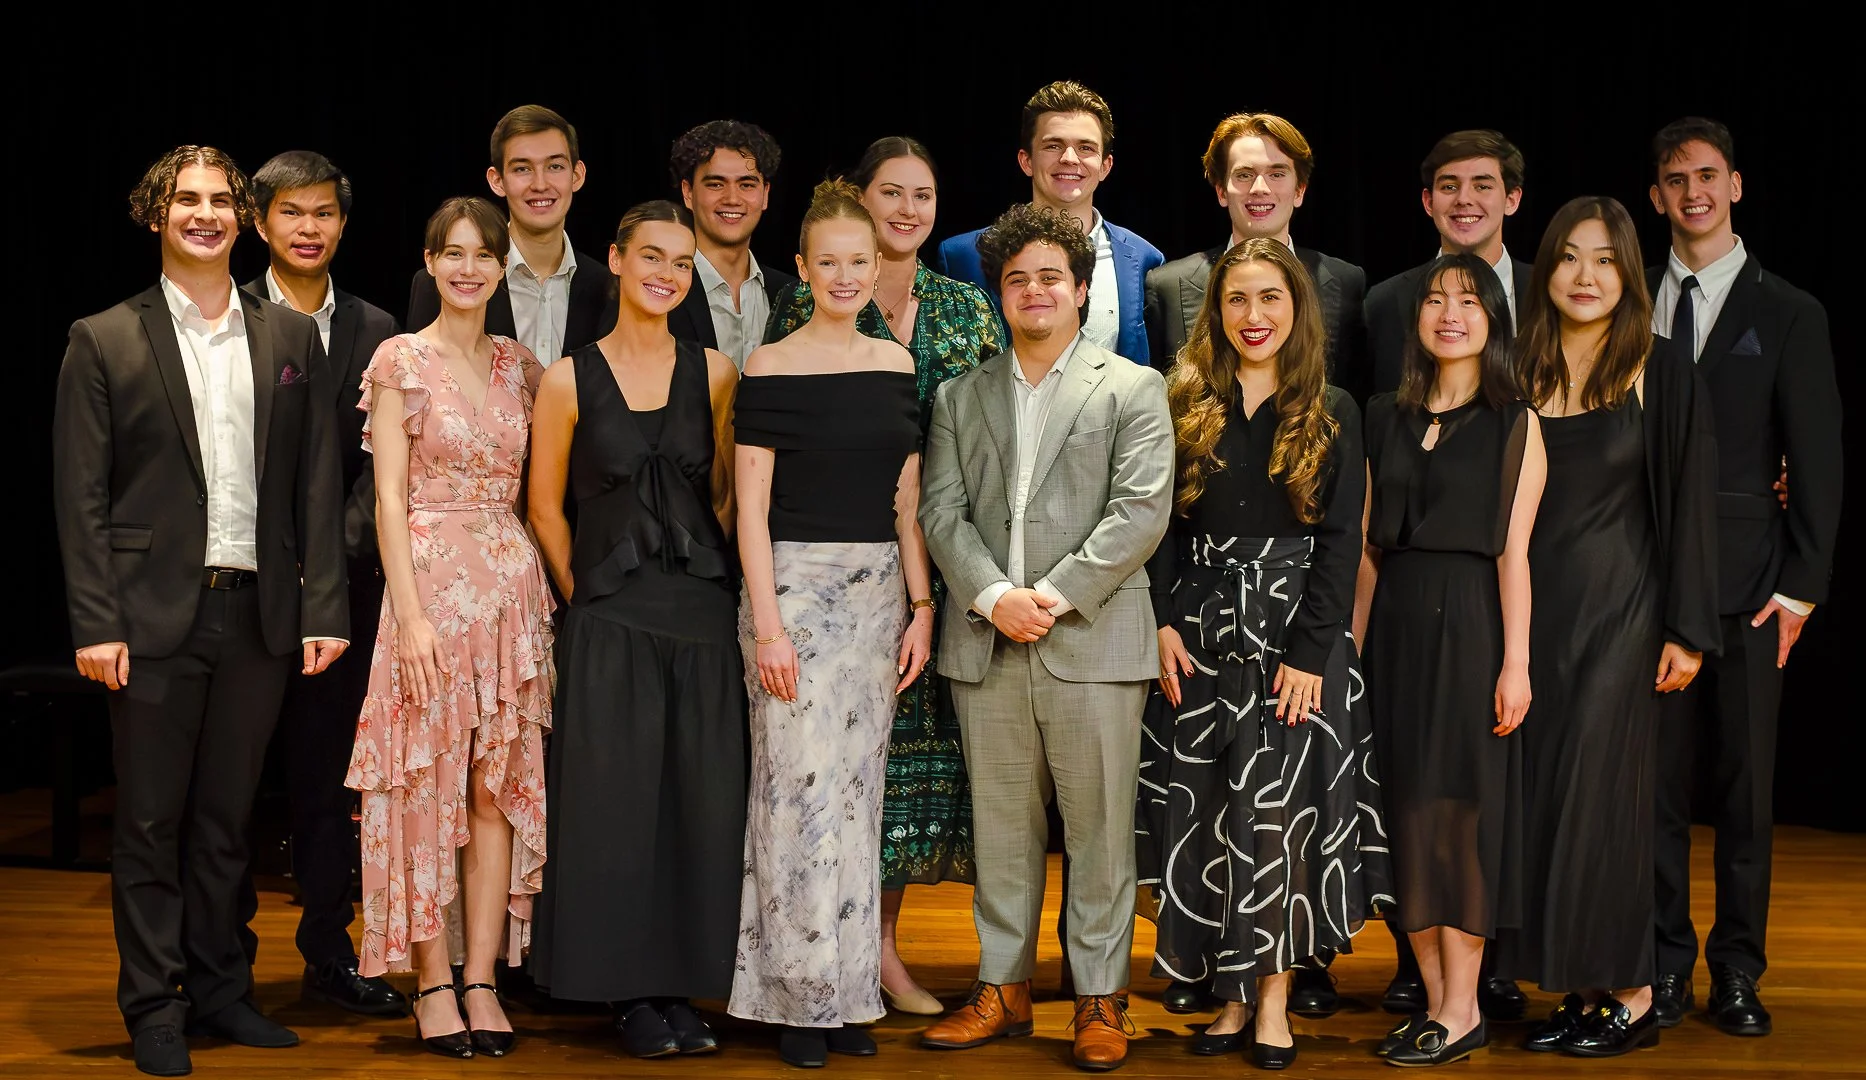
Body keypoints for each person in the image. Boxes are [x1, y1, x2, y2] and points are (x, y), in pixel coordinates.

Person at [52, 145, 348, 1077]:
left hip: (259, 615)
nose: (206, 214)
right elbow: (81, 496)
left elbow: (315, 484)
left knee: (227, 823)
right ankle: (153, 1005)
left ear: (245, 218)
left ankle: (223, 991)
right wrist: (95, 620)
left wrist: (323, 607)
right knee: (148, 823)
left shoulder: (290, 338)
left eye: (223, 200)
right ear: (157, 215)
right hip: (145, 621)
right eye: (188, 199)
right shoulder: (102, 338)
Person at [918, 203, 1173, 1073]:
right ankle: (1004, 988)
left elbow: (1140, 514)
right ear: (998, 293)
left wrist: (1051, 599)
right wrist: (994, 597)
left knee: (1101, 832)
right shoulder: (960, 394)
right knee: (1002, 828)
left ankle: (1101, 999)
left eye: (1049, 278)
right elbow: (940, 514)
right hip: (987, 640)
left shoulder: (1134, 387)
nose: (1033, 291)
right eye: (1016, 278)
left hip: (1092, 640)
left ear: (1080, 288)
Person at [764, 136, 1005, 1016]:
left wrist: (949, 581)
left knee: (907, 775)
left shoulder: (965, 306)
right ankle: (823, 957)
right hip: (828, 563)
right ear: (857, 204)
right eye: (890, 194)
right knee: (821, 771)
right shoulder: (808, 299)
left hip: (944, 566)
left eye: (923, 196)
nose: (907, 210)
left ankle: (880, 946)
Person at [1136, 239, 1390, 1071]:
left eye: (1270, 300)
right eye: (1237, 300)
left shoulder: (1334, 408)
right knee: (1213, 818)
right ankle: (1232, 997)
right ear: (1215, 311)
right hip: (1202, 635)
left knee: (1277, 824)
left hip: (1294, 639)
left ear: (1297, 310)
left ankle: (1275, 998)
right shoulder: (1185, 400)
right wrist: (1166, 621)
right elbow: (1164, 526)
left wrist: (1313, 653)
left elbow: (1340, 541)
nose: (1254, 316)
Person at [1497, 196, 1720, 1058]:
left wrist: (1688, 629)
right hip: (1528, 613)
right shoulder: (1516, 365)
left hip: (1623, 614)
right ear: (1545, 269)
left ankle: (1633, 993)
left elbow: (1694, 506)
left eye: (1604, 259)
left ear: (1629, 272)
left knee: (1606, 804)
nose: (1585, 277)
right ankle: (1584, 988)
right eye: (1568, 258)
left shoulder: (1662, 369)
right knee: (1547, 800)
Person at [525, 201, 745, 1058]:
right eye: (651, 256)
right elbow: (545, 507)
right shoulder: (567, 379)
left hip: (699, 614)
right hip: (609, 620)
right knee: (613, 809)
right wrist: (590, 598)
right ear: (614, 261)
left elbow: (725, 499)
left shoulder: (718, 373)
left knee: (699, 803)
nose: (666, 273)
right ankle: (624, 993)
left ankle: (677, 988)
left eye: (682, 263)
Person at [345, 196, 557, 1060]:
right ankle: (431, 983)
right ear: (430, 263)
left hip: (510, 592)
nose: (468, 268)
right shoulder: (400, 358)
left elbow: (544, 488)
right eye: (452, 254)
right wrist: (412, 613)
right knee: (424, 789)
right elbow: (389, 498)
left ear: (502, 265)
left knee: (492, 791)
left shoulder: (522, 366)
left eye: (483, 254)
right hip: (427, 589)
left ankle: (481, 978)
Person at [1645, 118, 1843, 1037]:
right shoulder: (1627, 298)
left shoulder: (1789, 310)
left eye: (1708, 175)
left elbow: (1819, 457)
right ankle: (1661, 964)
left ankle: (1737, 972)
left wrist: (1800, 587)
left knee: (1746, 796)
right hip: (1643, 588)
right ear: (1655, 196)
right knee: (1652, 791)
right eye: (1675, 178)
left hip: (1750, 588)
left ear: (1735, 185)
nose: (1693, 191)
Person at [727, 180, 929, 1069]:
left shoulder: (895, 369)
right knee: (792, 799)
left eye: (861, 261)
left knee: (855, 801)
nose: (846, 275)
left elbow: (907, 500)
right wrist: (768, 625)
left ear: (874, 265)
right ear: (802, 268)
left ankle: (846, 996)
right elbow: (749, 507)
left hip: (878, 597)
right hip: (793, 597)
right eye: (829, 262)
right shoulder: (767, 367)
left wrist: (921, 608)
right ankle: (792, 1001)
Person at [1358, 129, 1533, 1018]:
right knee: (1404, 810)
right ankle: (1434, 998)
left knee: (1460, 810)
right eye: (1437, 299)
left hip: (1471, 625)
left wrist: (1516, 663)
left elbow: (1516, 552)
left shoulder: (1515, 420)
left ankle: (1461, 1007)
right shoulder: (1382, 416)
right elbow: (1365, 551)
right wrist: (1347, 652)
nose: (1451, 312)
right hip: (1393, 628)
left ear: (1494, 319)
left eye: (1469, 301)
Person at [231, 149, 405, 1018]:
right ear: (259, 222)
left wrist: (323, 569)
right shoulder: (225, 318)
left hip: (345, 595)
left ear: (343, 223)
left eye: (324, 213)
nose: (309, 229)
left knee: (330, 783)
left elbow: (381, 467)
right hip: (236, 588)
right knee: (227, 787)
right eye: (292, 214)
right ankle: (222, 965)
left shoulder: (377, 327)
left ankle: (330, 955)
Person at [937, 80, 1164, 365]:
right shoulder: (964, 256)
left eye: (1085, 148)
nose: (1069, 159)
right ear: (1026, 161)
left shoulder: (1145, 259)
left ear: (1105, 166)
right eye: (1053, 146)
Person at [1145, 112, 1368, 398]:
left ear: (1299, 190)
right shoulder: (1167, 286)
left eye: (1276, 174)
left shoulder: (1345, 281)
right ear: (1221, 192)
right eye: (1244, 175)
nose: (1260, 189)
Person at [405, 105, 614, 363]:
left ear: (577, 175)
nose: (540, 184)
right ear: (497, 180)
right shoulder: (445, 280)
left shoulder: (608, 287)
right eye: (522, 169)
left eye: (555, 166)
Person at [1364, 131, 1533, 399]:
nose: (1464, 199)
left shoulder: (1548, 291)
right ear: (1428, 202)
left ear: (1512, 200)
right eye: (1450, 187)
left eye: (1482, 186)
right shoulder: (1384, 302)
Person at [666, 119, 801, 368]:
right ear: (688, 192)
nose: (732, 198)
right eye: (716, 184)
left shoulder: (792, 294)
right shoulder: (661, 289)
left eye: (746, 185)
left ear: (765, 194)